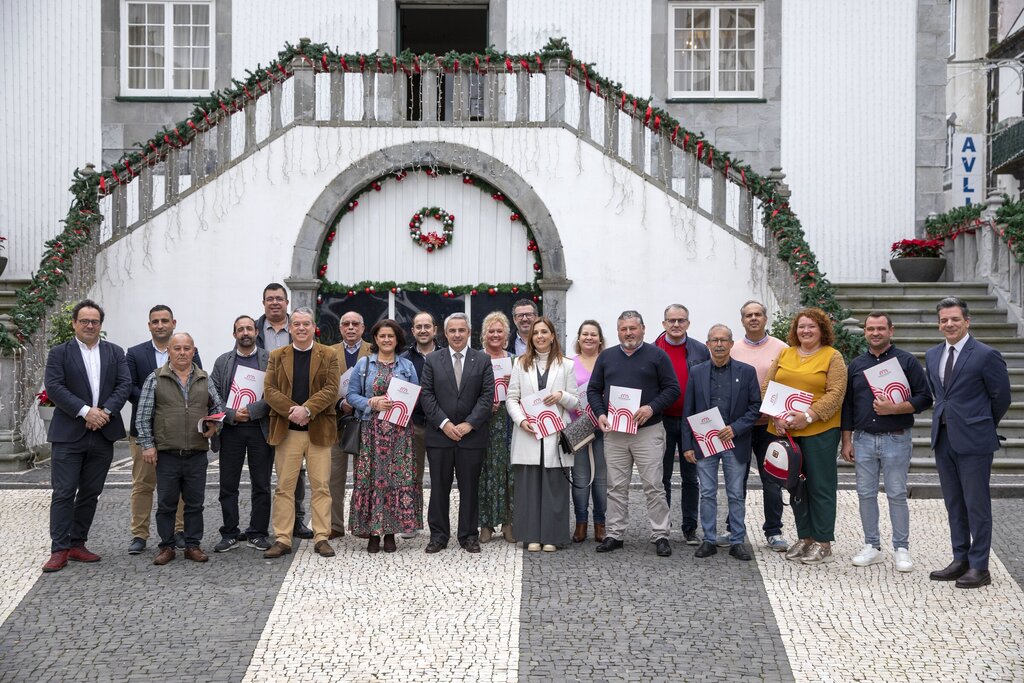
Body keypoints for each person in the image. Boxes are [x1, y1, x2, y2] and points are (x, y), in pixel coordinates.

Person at [925, 296, 1011, 588]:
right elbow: (941, 396)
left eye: (955, 319)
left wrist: (981, 424)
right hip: (944, 437)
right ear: (939, 325)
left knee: (976, 504)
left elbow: (1001, 397)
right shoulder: (933, 354)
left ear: (967, 321)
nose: (949, 324)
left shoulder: (986, 354)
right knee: (954, 503)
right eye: (944, 320)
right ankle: (959, 559)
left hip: (975, 440)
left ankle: (979, 567)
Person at [41, 299, 131, 573]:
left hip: (102, 432)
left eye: (95, 321)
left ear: (100, 325)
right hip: (69, 434)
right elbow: (54, 387)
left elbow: (124, 384)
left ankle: (78, 543)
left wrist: (103, 411)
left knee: (91, 492)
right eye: (84, 321)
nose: (90, 325)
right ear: (74, 324)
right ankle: (59, 549)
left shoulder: (114, 352)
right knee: (64, 491)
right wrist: (84, 412)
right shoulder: (60, 353)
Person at [840, 312, 931, 572]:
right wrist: (846, 440)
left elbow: (925, 397)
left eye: (881, 328)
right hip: (864, 439)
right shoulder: (856, 365)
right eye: (871, 328)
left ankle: (901, 548)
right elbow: (848, 406)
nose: (875, 333)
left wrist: (898, 408)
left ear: (891, 330)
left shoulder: (907, 361)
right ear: (866, 332)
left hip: (896, 438)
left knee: (897, 493)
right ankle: (872, 546)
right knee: (865, 494)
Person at [587, 310, 680, 557]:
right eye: (623, 329)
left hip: (648, 431)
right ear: (617, 332)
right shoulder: (606, 357)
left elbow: (673, 389)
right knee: (615, 486)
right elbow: (594, 390)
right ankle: (615, 534)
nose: (628, 333)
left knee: (653, 485)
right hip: (615, 432)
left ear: (643, 329)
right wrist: (601, 413)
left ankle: (660, 534)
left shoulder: (657, 356)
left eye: (632, 328)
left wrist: (651, 407)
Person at [764, 307, 847, 566]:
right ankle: (805, 536)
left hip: (819, 430)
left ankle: (823, 541)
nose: (806, 330)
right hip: (786, 430)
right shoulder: (785, 353)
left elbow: (836, 393)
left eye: (812, 326)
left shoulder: (832, 357)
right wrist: (776, 415)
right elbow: (768, 385)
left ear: (822, 329)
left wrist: (808, 416)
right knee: (795, 486)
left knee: (820, 485)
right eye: (801, 326)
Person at [136, 333, 223, 565]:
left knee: (195, 503)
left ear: (194, 351)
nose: (182, 352)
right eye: (177, 348)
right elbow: (143, 416)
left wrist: (214, 425)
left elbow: (218, 407)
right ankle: (166, 547)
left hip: (196, 452)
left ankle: (193, 545)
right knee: (166, 503)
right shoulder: (155, 378)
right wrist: (147, 445)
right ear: (169, 351)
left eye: (187, 348)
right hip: (167, 453)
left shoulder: (205, 378)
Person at [262, 307, 341, 560]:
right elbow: (270, 390)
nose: (301, 328)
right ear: (290, 327)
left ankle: (321, 538)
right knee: (284, 488)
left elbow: (332, 389)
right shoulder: (277, 355)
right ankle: (282, 538)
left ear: (313, 326)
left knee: (321, 487)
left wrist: (307, 409)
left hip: (318, 430)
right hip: (288, 432)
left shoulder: (328, 354)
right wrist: (292, 411)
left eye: (306, 324)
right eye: (296, 324)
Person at [681, 325, 761, 561]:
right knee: (707, 493)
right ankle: (709, 539)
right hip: (705, 443)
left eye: (723, 340)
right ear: (707, 344)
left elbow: (755, 407)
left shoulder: (747, 372)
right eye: (714, 340)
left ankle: (737, 540)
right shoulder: (697, 372)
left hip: (735, 442)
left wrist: (735, 429)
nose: (719, 344)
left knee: (736, 494)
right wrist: (687, 445)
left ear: (731, 344)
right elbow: (689, 409)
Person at [420, 313, 495, 554]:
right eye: (452, 331)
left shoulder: (482, 360)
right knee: (439, 488)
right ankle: (438, 536)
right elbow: (427, 396)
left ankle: (468, 535)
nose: (457, 335)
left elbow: (487, 397)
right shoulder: (432, 360)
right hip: (440, 436)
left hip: (471, 437)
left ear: (469, 332)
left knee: (469, 488)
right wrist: (444, 423)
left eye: (461, 330)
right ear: (445, 332)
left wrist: (468, 424)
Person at [124, 305, 197, 554]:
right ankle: (139, 534)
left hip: (177, 432)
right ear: (149, 325)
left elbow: (196, 386)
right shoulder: (134, 354)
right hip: (143, 430)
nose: (160, 325)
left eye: (165, 320)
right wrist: (158, 403)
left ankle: (178, 530)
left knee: (177, 485)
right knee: (143, 484)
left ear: (173, 323)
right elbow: (129, 387)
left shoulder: (187, 350)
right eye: (155, 321)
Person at [346, 320, 422, 553]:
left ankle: (390, 532)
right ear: (375, 339)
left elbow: (416, 396)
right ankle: (372, 533)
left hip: (399, 433)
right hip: (371, 431)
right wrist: (371, 402)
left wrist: (403, 403)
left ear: (397, 339)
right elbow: (351, 395)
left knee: (396, 481)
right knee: (370, 480)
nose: (387, 340)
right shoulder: (363, 364)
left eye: (391, 336)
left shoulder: (407, 366)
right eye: (382, 336)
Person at [506, 317, 579, 552]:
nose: (539, 336)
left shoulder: (566, 365)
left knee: (554, 487)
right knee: (528, 487)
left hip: (555, 434)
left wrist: (561, 396)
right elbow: (511, 398)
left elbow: (575, 401)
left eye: (544, 332)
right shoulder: (520, 363)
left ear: (552, 335)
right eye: (536, 332)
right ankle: (530, 536)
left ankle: (552, 536)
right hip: (528, 432)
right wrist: (521, 420)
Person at [209, 315, 274, 552]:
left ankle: (257, 532)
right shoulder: (222, 361)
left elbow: (276, 392)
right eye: (240, 329)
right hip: (231, 429)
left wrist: (255, 410)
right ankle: (230, 532)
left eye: (249, 328)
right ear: (234, 334)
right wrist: (232, 413)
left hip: (260, 429)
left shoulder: (270, 359)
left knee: (262, 483)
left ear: (256, 332)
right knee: (228, 484)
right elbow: (213, 395)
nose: (245, 332)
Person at [730, 300, 790, 551]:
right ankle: (732, 528)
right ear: (742, 320)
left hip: (769, 426)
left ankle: (774, 531)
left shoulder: (782, 348)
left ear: (765, 318)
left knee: (772, 480)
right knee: (736, 480)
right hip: (740, 426)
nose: (753, 318)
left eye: (757, 314)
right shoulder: (732, 348)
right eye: (748, 315)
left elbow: (788, 382)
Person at [254, 283, 312, 540]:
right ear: (263, 303)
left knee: (295, 472)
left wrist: (298, 409)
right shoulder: (252, 331)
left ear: (287, 302)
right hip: (260, 412)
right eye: (270, 299)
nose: (275, 302)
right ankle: (260, 526)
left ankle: (297, 520)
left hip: (293, 414)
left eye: (279, 298)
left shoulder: (300, 327)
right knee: (262, 472)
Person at [653, 304, 709, 545]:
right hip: (661, 419)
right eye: (671, 320)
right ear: (664, 323)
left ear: (688, 323)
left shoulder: (699, 350)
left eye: (681, 320)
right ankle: (663, 526)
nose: (676, 325)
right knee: (661, 476)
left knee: (690, 476)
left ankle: (690, 527)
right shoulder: (653, 350)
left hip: (692, 421)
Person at [328, 311, 371, 539]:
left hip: (366, 422)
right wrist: (339, 402)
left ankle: (362, 523)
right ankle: (335, 525)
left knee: (363, 477)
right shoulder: (327, 352)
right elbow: (321, 385)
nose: (351, 327)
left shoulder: (374, 351)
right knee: (334, 476)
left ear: (363, 328)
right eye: (346, 324)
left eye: (356, 323)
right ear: (340, 328)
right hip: (336, 422)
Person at [400, 311, 440, 538]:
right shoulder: (404, 359)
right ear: (412, 331)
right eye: (418, 326)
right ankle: (411, 521)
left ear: (435, 329)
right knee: (411, 476)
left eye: (427, 326)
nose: (423, 330)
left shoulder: (445, 356)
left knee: (440, 476)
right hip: (413, 425)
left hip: (439, 425)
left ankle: (438, 523)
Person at [478, 311, 515, 544]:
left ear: (506, 335)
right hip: (484, 423)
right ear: (484, 335)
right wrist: (483, 406)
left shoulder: (515, 360)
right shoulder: (476, 359)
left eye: (499, 331)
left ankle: (509, 523)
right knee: (484, 473)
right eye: (490, 331)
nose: (495, 334)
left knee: (509, 473)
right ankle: (486, 524)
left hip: (510, 423)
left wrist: (513, 386)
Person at [570, 320, 607, 543]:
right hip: (579, 425)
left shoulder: (608, 361)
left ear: (600, 339)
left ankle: (600, 523)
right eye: (585, 334)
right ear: (579, 337)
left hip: (604, 425)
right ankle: (581, 522)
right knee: (581, 477)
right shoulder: (569, 364)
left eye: (593, 334)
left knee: (601, 478)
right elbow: (564, 392)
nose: (589, 338)